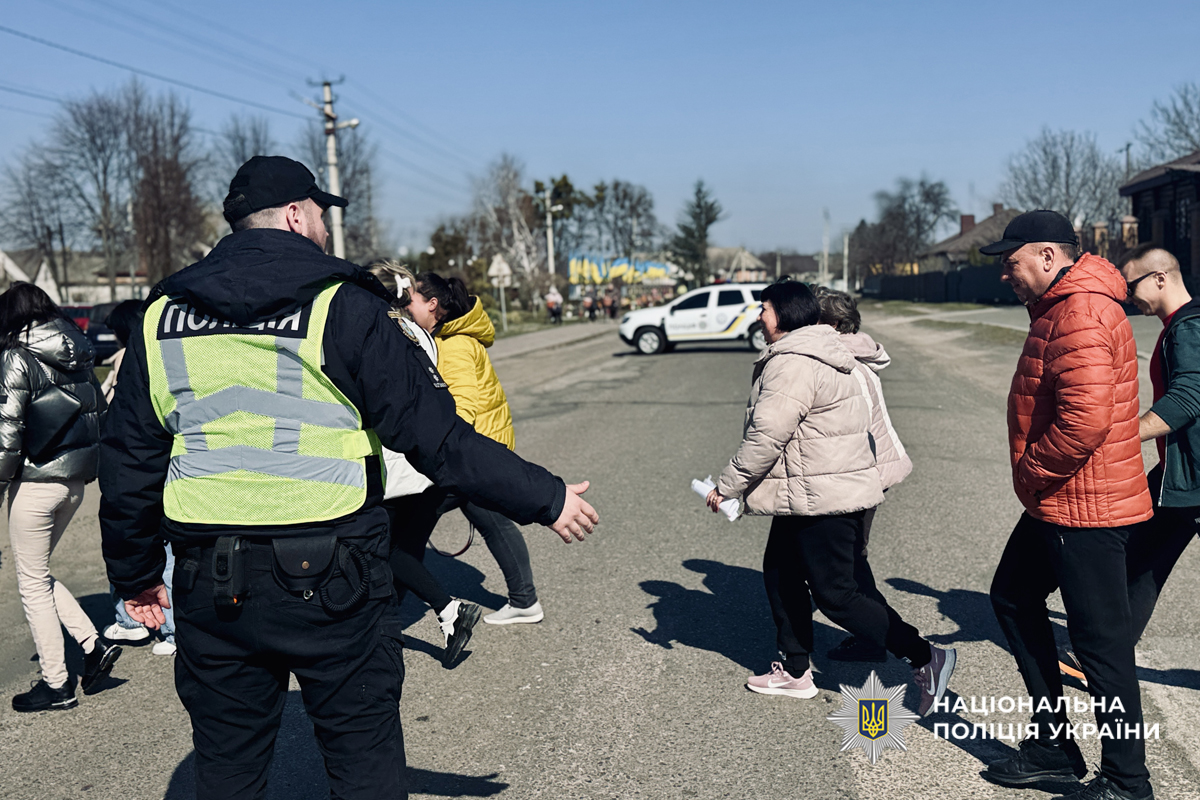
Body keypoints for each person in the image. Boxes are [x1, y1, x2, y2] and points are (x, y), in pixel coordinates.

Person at [100, 156, 598, 800]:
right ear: (295, 215)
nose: (327, 232)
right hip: (332, 579)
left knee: (226, 769)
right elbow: (437, 439)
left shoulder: (161, 315)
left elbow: (129, 457)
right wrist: (545, 496)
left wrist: (136, 572)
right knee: (362, 764)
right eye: (322, 216)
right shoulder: (343, 306)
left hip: (208, 582)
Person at [704, 279, 954, 715]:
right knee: (779, 573)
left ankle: (926, 657)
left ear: (783, 313)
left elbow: (767, 435)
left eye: (763, 309)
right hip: (808, 492)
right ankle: (796, 671)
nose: (759, 317)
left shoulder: (795, 362)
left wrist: (728, 485)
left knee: (837, 594)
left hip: (825, 496)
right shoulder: (817, 351)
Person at [982, 211, 1154, 800]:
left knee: (1102, 647)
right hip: (1062, 502)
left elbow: (1084, 421)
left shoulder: (1079, 311)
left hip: (1085, 506)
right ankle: (1054, 745)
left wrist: (1031, 473)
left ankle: (1129, 781)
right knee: (1012, 596)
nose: (1007, 275)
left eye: (1013, 263)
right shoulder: (1062, 306)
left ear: (1048, 257)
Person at [1056, 245, 1200, 686]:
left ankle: (1098, 655)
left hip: (1194, 475)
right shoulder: (1180, 326)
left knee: (1140, 563)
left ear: (1160, 277)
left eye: (1130, 285)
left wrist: (1119, 433)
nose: (1126, 296)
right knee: (1141, 562)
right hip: (1182, 472)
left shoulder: (1188, 329)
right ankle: (1098, 655)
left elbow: (1189, 397)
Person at [0, 283, 119, 712]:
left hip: (35, 480)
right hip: (73, 483)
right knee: (38, 573)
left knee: (30, 581)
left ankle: (56, 683)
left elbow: (6, 437)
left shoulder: (16, 355)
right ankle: (92, 645)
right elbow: (99, 418)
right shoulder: (80, 353)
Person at [409, 271, 545, 624]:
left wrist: (444, 452)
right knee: (492, 523)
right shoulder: (454, 338)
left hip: (469, 455)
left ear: (432, 304)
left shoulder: (453, 345)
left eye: (411, 299)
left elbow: (463, 407)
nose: (406, 306)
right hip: (481, 450)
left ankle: (388, 601)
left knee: (408, 524)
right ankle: (524, 600)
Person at [369, 259, 481, 667]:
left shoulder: (381, 332)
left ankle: (448, 608)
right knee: (405, 552)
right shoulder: (421, 335)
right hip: (426, 465)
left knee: (385, 549)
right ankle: (387, 632)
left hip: (397, 466)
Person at [812, 287, 913, 663]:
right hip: (870, 471)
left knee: (848, 568)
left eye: (813, 319)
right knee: (853, 560)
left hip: (863, 474)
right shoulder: (852, 353)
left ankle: (891, 640)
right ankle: (872, 636)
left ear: (835, 324)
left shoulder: (844, 363)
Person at [99, 300, 178, 655]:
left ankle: (148, 622)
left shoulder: (129, 359)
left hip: (145, 461)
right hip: (171, 465)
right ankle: (167, 626)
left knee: (145, 536)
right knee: (168, 546)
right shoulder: (169, 348)